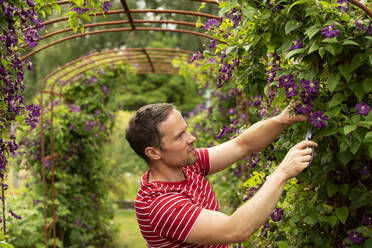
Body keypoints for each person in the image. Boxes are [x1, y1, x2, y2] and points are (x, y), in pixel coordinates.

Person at [125, 102, 317, 248]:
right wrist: (282, 173)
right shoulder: (162, 205)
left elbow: (242, 145)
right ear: (154, 153)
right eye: (179, 136)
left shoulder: (186, 165)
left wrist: (282, 120)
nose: (192, 138)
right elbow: (236, 230)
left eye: (186, 130)